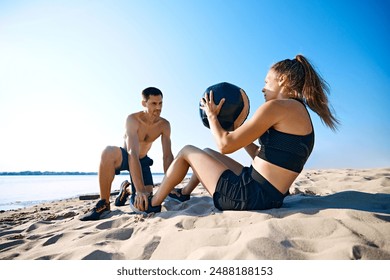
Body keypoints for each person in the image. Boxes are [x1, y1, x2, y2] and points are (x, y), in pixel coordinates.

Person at [129, 55, 339, 214]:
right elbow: (263, 157)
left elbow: (225, 145)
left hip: (248, 197)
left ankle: (153, 204)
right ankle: (183, 193)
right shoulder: (300, 113)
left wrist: (212, 116)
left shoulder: (276, 107)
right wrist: (238, 126)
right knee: (206, 152)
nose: (263, 88)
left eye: (267, 81)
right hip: (271, 196)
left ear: (282, 79)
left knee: (186, 151)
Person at [80, 87, 174, 221]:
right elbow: (132, 153)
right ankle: (104, 203)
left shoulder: (164, 125)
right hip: (125, 156)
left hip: (142, 161)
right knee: (108, 152)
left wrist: (171, 184)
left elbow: (167, 156)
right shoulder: (133, 119)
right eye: (153, 103)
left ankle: (126, 192)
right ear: (144, 103)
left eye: (160, 103)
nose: (158, 107)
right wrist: (140, 190)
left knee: (147, 204)